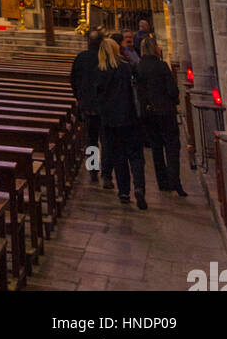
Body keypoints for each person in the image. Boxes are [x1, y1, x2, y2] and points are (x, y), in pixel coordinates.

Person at [95, 35, 147, 209]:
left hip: (107, 119)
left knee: (96, 144)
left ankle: (95, 171)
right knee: (134, 155)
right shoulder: (126, 67)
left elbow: (93, 92)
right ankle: (138, 186)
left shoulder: (99, 69)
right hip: (129, 118)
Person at [135, 35, 186, 196]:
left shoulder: (138, 67)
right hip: (165, 111)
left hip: (147, 113)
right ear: (154, 48)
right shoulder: (162, 66)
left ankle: (162, 182)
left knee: (156, 147)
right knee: (171, 146)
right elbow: (172, 90)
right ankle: (175, 181)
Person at [71, 33, 103, 184]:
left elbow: (73, 80)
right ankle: (108, 172)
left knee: (91, 139)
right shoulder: (105, 58)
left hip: (87, 105)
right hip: (104, 105)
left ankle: (93, 170)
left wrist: (79, 97)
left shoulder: (81, 58)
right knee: (107, 140)